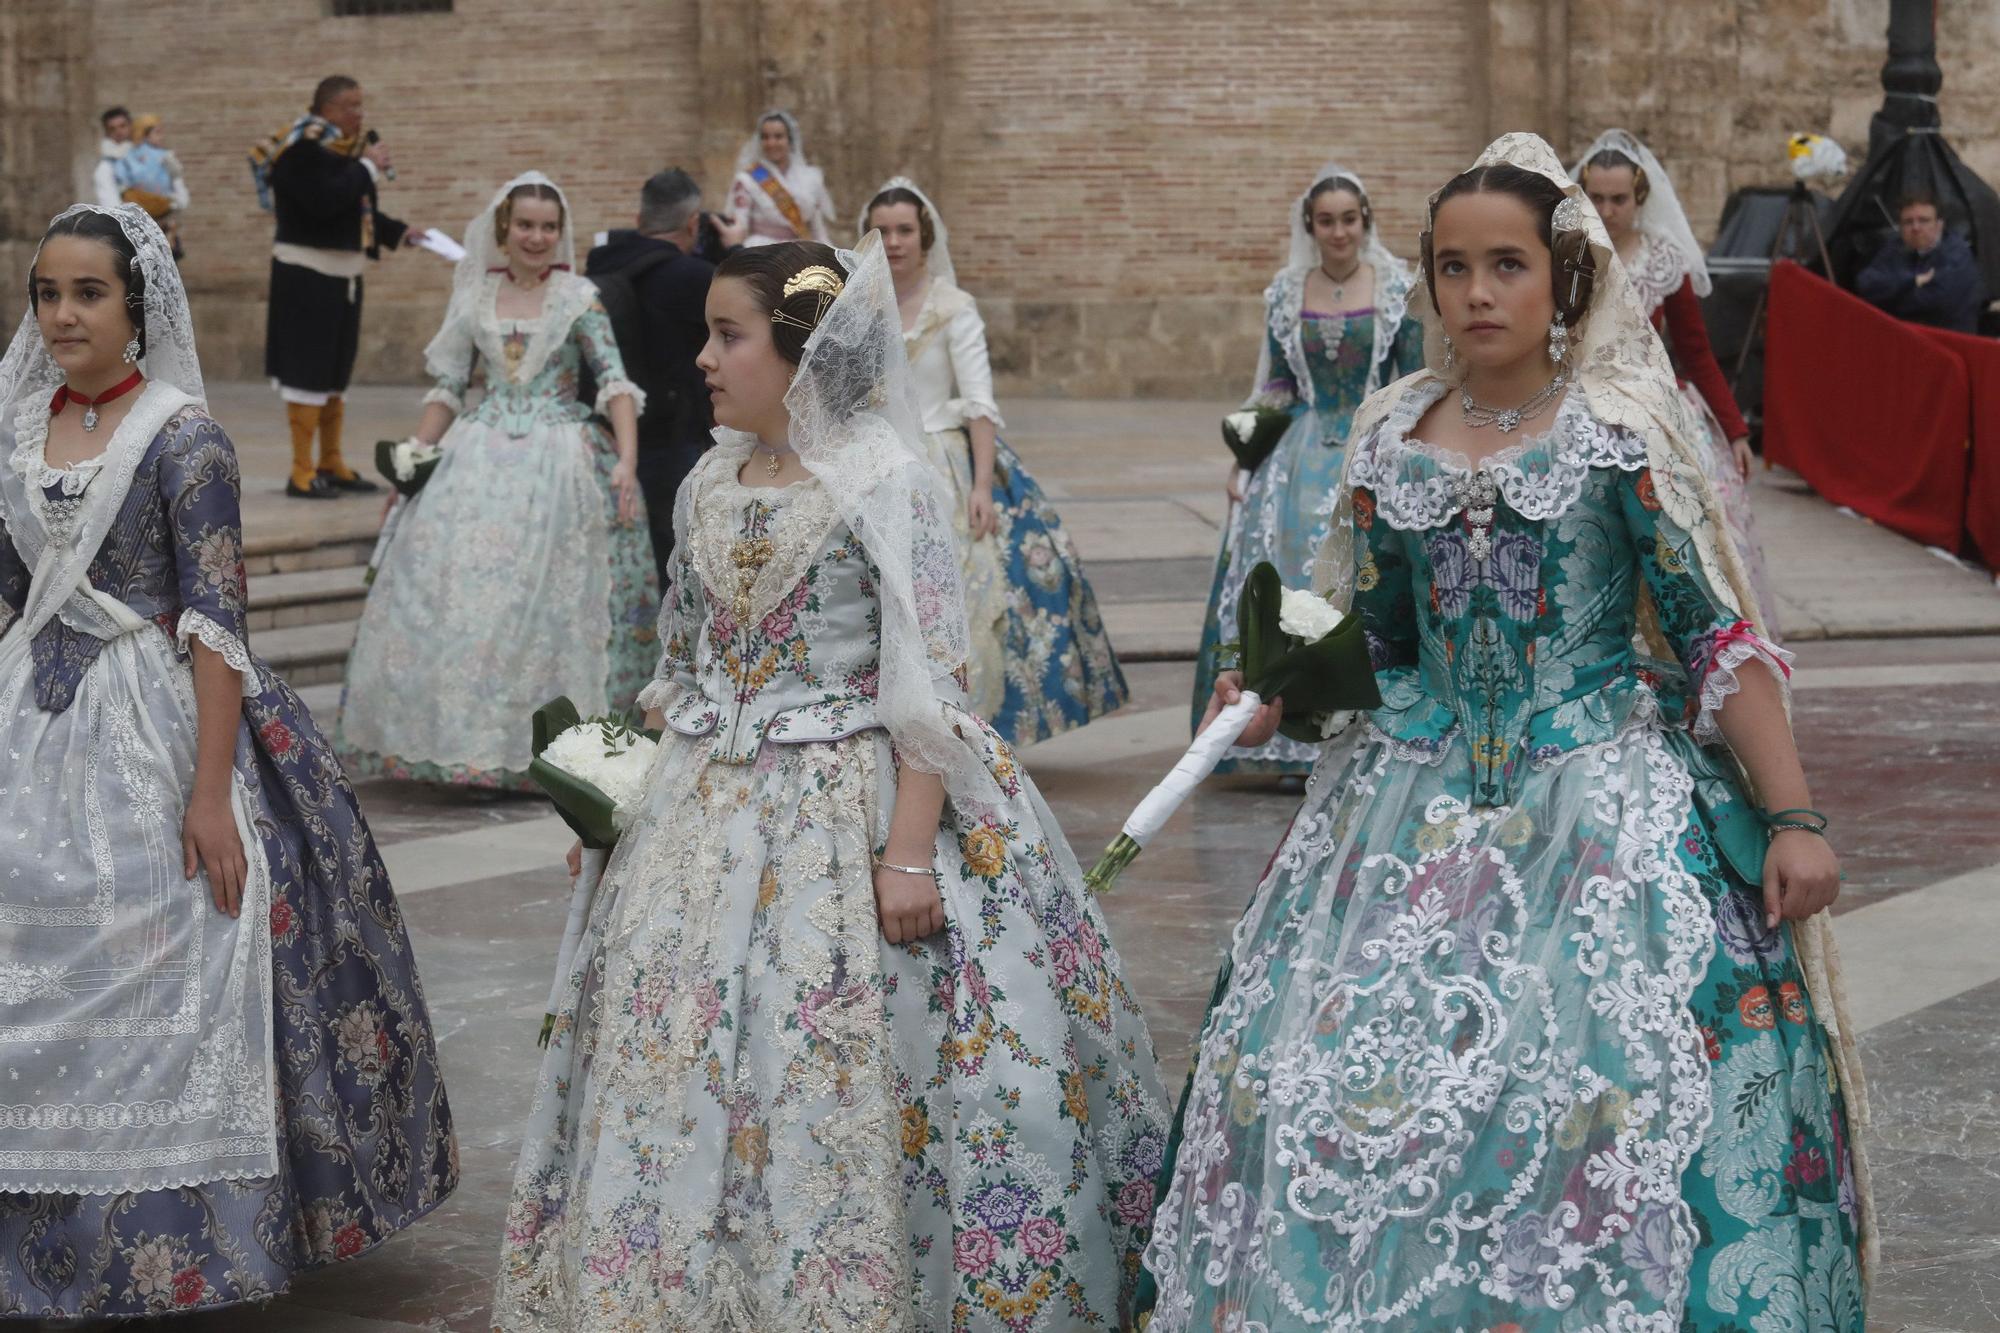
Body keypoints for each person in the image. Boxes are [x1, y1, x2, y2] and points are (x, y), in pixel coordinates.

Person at [1141, 134, 1872, 1329]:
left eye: (1505, 266)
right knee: (1337, 1078)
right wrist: (1275, 677)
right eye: (1450, 268)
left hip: (1598, 802)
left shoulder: (1616, 432)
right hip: (1403, 815)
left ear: (1560, 279)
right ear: (1425, 281)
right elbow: (1375, 630)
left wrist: (1789, 815)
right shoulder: (1391, 435)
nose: (1476, 292)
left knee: (1594, 1086)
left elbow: (1709, 637)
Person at [492, 236, 1168, 1330]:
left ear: (804, 354)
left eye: (729, 335)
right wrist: (616, 800)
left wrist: (906, 852)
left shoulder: (888, 481)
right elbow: (681, 668)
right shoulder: (710, 478)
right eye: (707, 333)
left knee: (830, 1056)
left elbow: (928, 685)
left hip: (850, 805)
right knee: (679, 1053)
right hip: (704, 813)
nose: (703, 358)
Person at [0, 204, 456, 1319]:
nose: (63, 314)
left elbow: (215, 622)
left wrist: (210, 794)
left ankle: (153, 1236)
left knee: (180, 930)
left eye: (88, 294)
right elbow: (13, 598)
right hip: (28, 712)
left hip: (155, 718)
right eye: (47, 293)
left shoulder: (184, 437)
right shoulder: (13, 428)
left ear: (138, 308)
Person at [336, 173, 656, 790]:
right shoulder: (474, 297)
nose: (536, 237)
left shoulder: (579, 295)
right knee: (456, 595)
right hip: (476, 455)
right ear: (503, 230)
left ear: (559, 233)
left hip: (561, 459)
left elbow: (614, 381)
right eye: (525, 225)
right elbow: (450, 387)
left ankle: (553, 749)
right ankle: (460, 743)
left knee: (545, 605)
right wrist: (413, 459)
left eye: (548, 227)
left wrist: (626, 459)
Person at [861, 178, 1128, 743]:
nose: (893, 242)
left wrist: (982, 486)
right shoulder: (858, 306)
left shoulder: (955, 308)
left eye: (904, 230)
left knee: (961, 598)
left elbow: (979, 401)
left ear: (925, 237)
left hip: (944, 466)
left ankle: (962, 729)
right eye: (882, 231)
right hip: (876, 462)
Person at [1190, 164, 1424, 774]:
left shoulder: (1397, 288)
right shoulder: (1287, 293)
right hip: (1299, 454)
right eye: (1327, 221)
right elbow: (1278, 381)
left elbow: (1408, 376)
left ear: (1364, 221)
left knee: (1358, 581)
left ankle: (1356, 721)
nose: (1339, 231)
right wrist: (1247, 448)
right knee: (1287, 576)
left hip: (1370, 448)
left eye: (1349, 219)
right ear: (1311, 226)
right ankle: (1278, 733)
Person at [1579, 129, 1778, 634]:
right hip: (1579, 407)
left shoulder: (1663, 261)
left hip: (1652, 409)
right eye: (1597, 198)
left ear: (1639, 198)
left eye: (1618, 199)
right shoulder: (1567, 257)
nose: (1607, 210)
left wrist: (1735, 430)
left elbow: (1696, 351)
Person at [262, 74, 425, 499]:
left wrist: (402, 232)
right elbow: (323, 202)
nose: (359, 113)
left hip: (345, 278)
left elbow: (356, 211)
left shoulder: (346, 155)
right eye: (350, 105)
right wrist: (367, 166)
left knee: (335, 376)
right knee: (307, 373)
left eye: (360, 104)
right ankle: (301, 469)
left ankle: (330, 461)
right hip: (306, 277)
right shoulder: (299, 152)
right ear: (326, 109)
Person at [585, 168, 747, 584]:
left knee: (625, 560)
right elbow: (755, 306)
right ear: (694, 224)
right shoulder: (694, 279)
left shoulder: (598, 272)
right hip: (675, 441)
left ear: (640, 222)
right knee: (678, 563)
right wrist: (735, 250)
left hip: (612, 440)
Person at [1854, 190, 1987, 333]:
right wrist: (1912, 281)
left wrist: (1888, 296)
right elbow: (1865, 285)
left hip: (1946, 343)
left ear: (1939, 225)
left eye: (1924, 220)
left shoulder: (1956, 255)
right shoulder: (1895, 248)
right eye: (1908, 222)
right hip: (1902, 338)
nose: (1915, 228)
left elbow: (1935, 304)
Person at [727, 108, 837, 246]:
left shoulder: (810, 178)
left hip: (801, 250)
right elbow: (740, 224)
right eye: (765, 137)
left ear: (789, 140)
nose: (771, 143)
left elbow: (817, 229)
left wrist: (830, 255)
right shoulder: (748, 179)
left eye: (778, 137)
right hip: (763, 250)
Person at [111, 114, 191, 258]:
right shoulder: (127, 158)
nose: (161, 137)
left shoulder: (166, 157)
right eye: (157, 133)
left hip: (163, 215)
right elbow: (123, 182)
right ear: (143, 135)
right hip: (139, 218)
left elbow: (178, 190)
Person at [89, 106, 133, 209]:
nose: (119, 131)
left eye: (122, 126)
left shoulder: (143, 154)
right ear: (107, 132)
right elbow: (111, 205)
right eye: (112, 128)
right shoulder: (106, 166)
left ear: (130, 126)